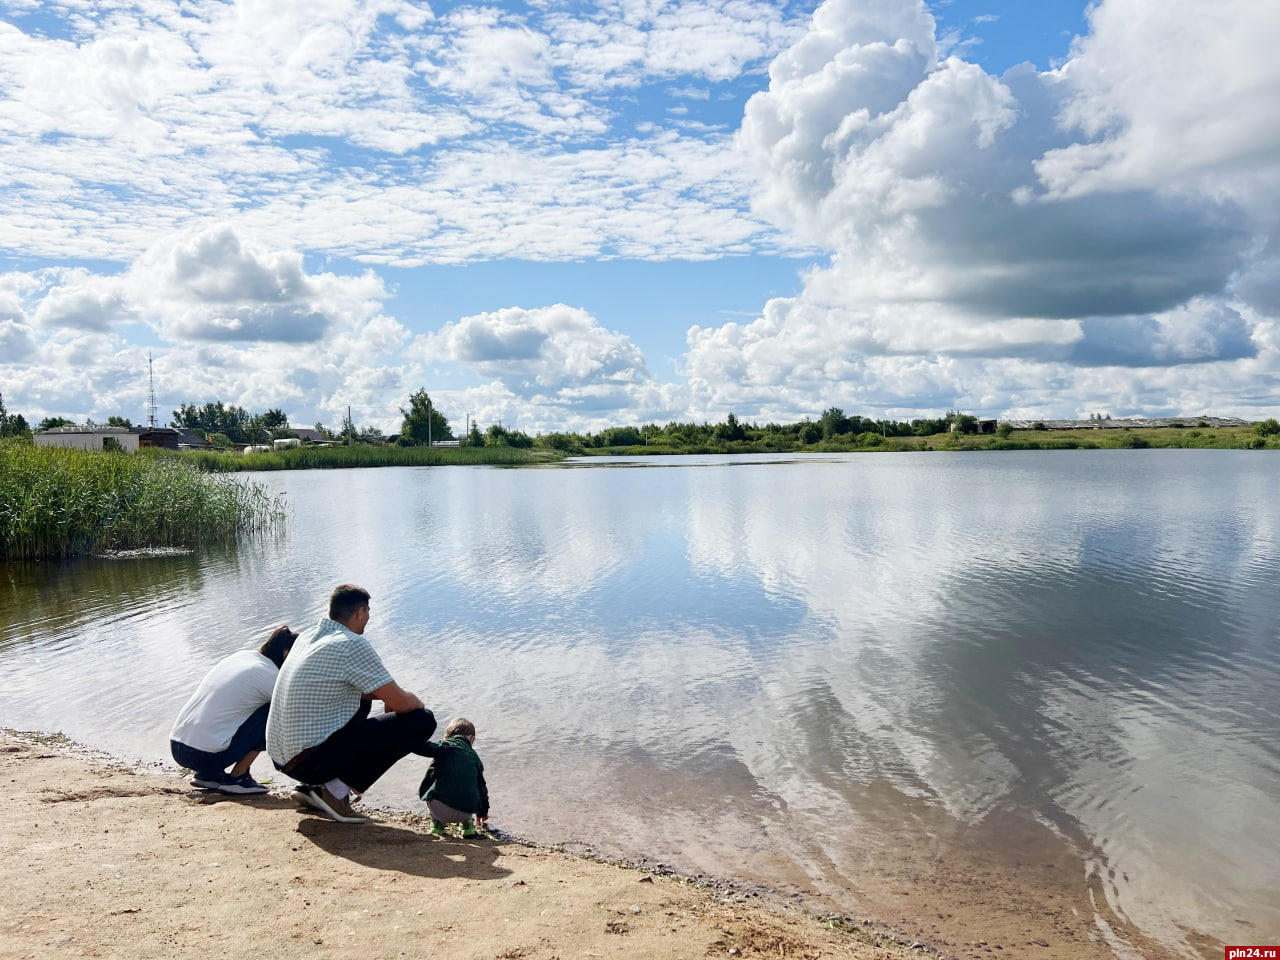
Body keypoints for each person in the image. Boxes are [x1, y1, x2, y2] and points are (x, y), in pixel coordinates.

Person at [266, 583, 436, 824]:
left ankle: (318, 788)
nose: (368, 618)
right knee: (422, 720)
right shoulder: (351, 644)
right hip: (308, 763)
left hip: (283, 758)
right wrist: (413, 700)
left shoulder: (309, 635)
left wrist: (389, 698)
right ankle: (334, 794)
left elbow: (360, 691)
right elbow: (403, 703)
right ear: (360, 612)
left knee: (360, 699)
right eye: (368, 611)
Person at [170, 625, 298, 795]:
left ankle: (209, 775)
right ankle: (238, 778)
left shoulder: (243, 656)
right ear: (287, 654)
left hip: (177, 746)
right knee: (273, 712)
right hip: (202, 755)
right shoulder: (271, 676)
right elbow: (297, 710)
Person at [418, 717, 489, 838]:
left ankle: (437, 826)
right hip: (465, 811)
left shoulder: (444, 746)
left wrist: (424, 792)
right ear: (472, 739)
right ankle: (468, 829)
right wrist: (482, 812)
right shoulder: (475, 758)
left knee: (437, 788)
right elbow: (482, 788)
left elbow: (424, 750)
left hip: (439, 811)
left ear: (446, 737)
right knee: (469, 788)